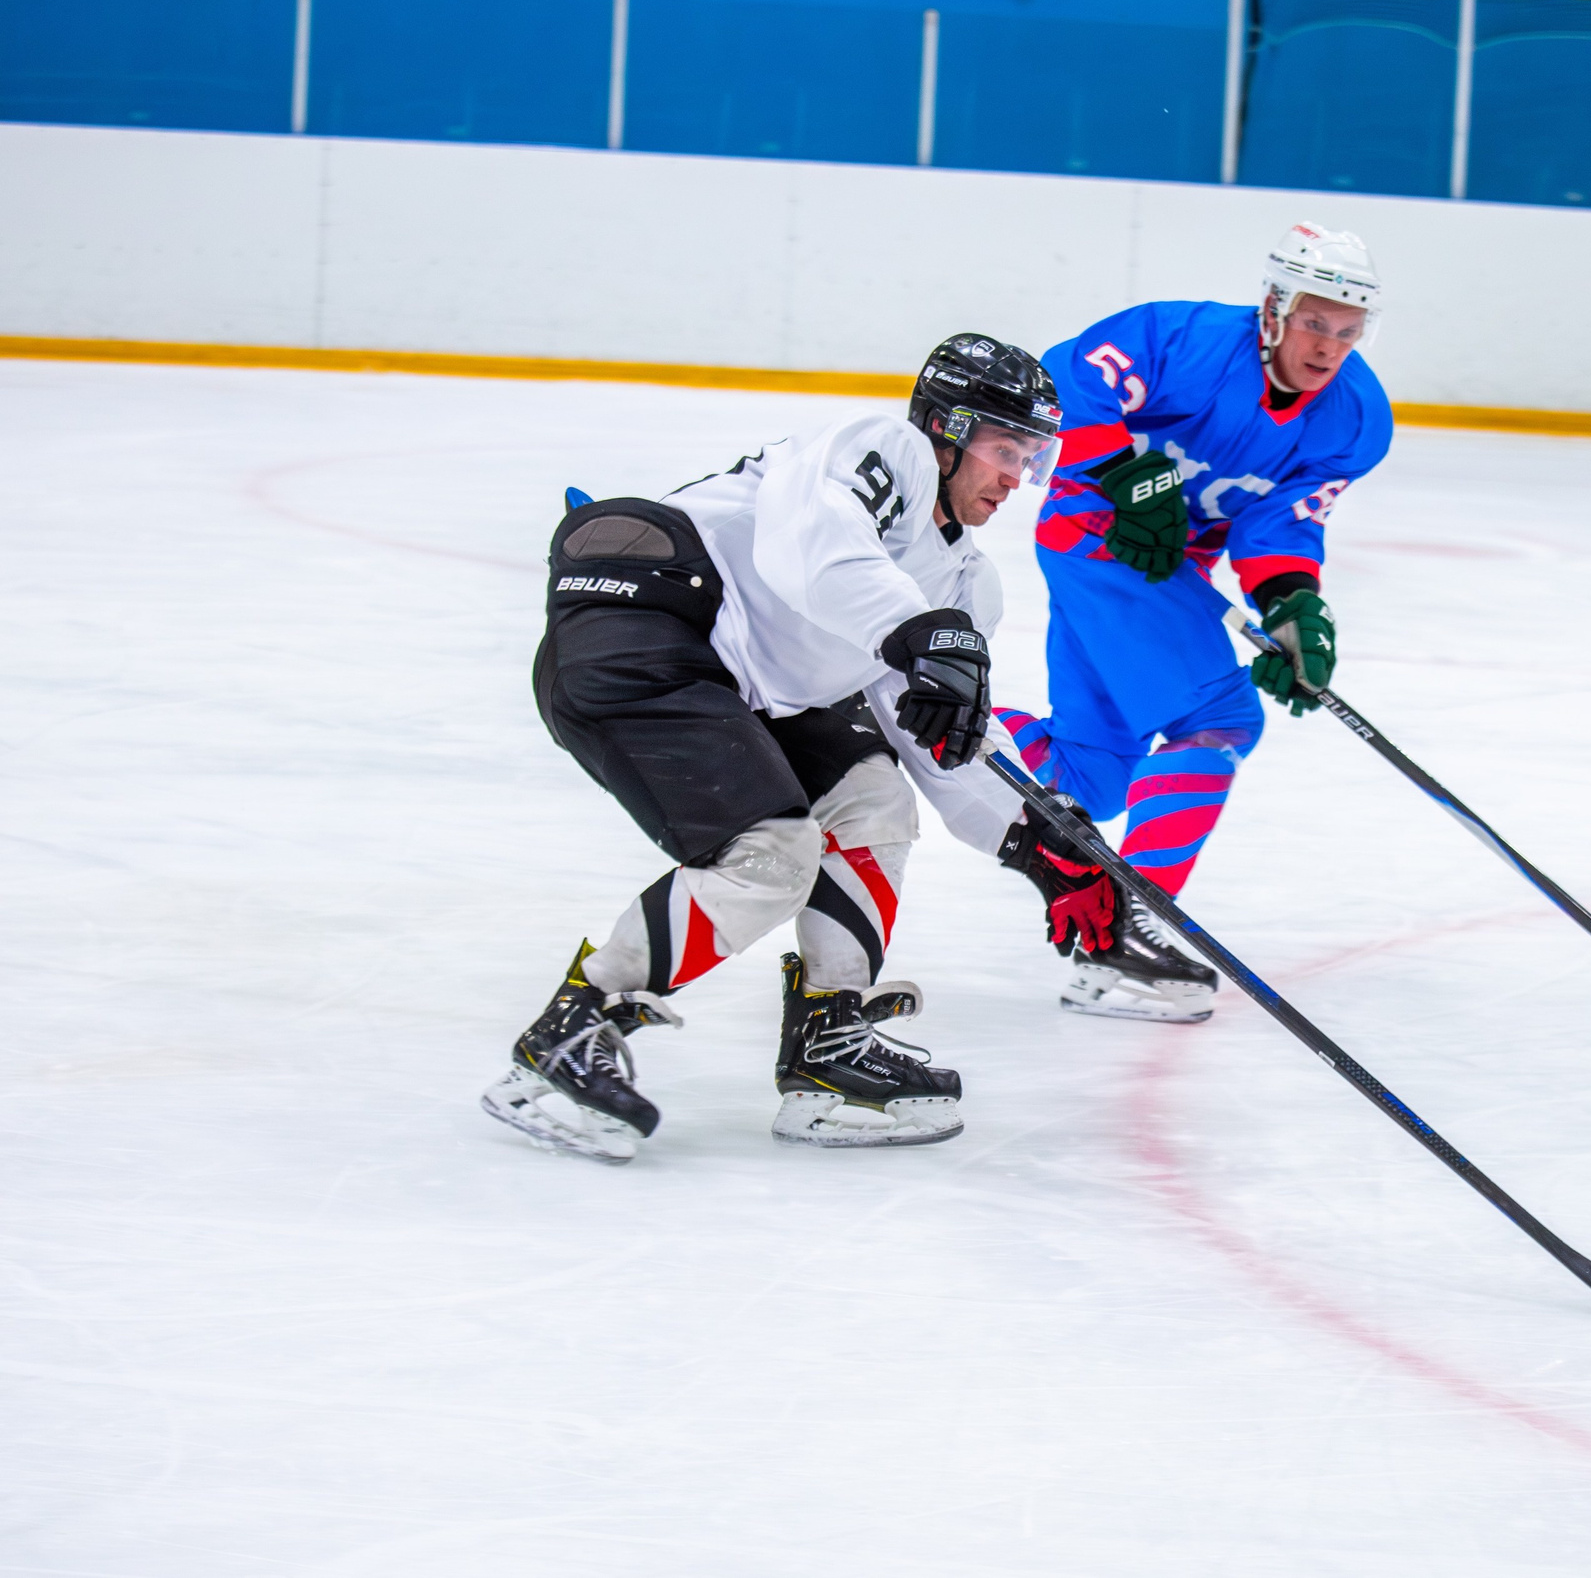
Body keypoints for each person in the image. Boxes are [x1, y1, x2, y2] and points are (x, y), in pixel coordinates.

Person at [481, 335, 1125, 1165]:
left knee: (874, 804)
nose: (1018, 478)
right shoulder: (881, 454)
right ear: (945, 428)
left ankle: (827, 1041)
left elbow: (941, 734)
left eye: (1035, 457)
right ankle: (573, 1030)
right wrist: (922, 634)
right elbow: (815, 549)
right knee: (773, 852)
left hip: (746, 676)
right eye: (1007, 451)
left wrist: (1042, 839)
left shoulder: (963, 585)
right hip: (646, 613)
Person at [995, 223, 1392, 1022]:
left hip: (1168, 567)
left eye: (1348, 333)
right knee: (1217, 719)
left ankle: (926, 714)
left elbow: (1281, 527)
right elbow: (1067, 377)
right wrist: (1121, 471)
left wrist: (1291, 607)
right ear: (1275, 308)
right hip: (1096, 536)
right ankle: (1123, 932)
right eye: (1316, 322)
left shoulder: (1355, 418)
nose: (1328, 348)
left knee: (1091, 779)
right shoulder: (1181, 339)